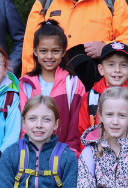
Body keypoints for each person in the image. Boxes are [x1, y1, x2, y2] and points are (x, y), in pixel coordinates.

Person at [19, 20, 86, 153]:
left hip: (63, 156)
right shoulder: (26, 84)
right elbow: (23, 126)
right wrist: (25, 152)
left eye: (55, 51)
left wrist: (71, 153)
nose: (49, 56)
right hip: (31, 155)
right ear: (35, 52)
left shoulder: (73, 84)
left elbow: (75, 126)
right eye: (43, 51)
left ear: (63, 52)